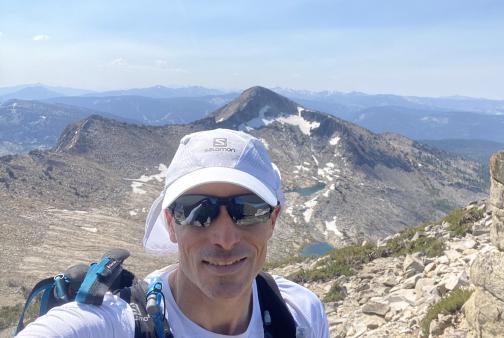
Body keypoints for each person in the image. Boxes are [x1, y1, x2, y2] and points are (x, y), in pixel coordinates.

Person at [17, 128, 330, 338]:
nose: (225, 237)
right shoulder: (119, 323)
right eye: (197, 211)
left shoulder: (301, 312)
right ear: (170, 223)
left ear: (273, 219)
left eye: (248, 210)